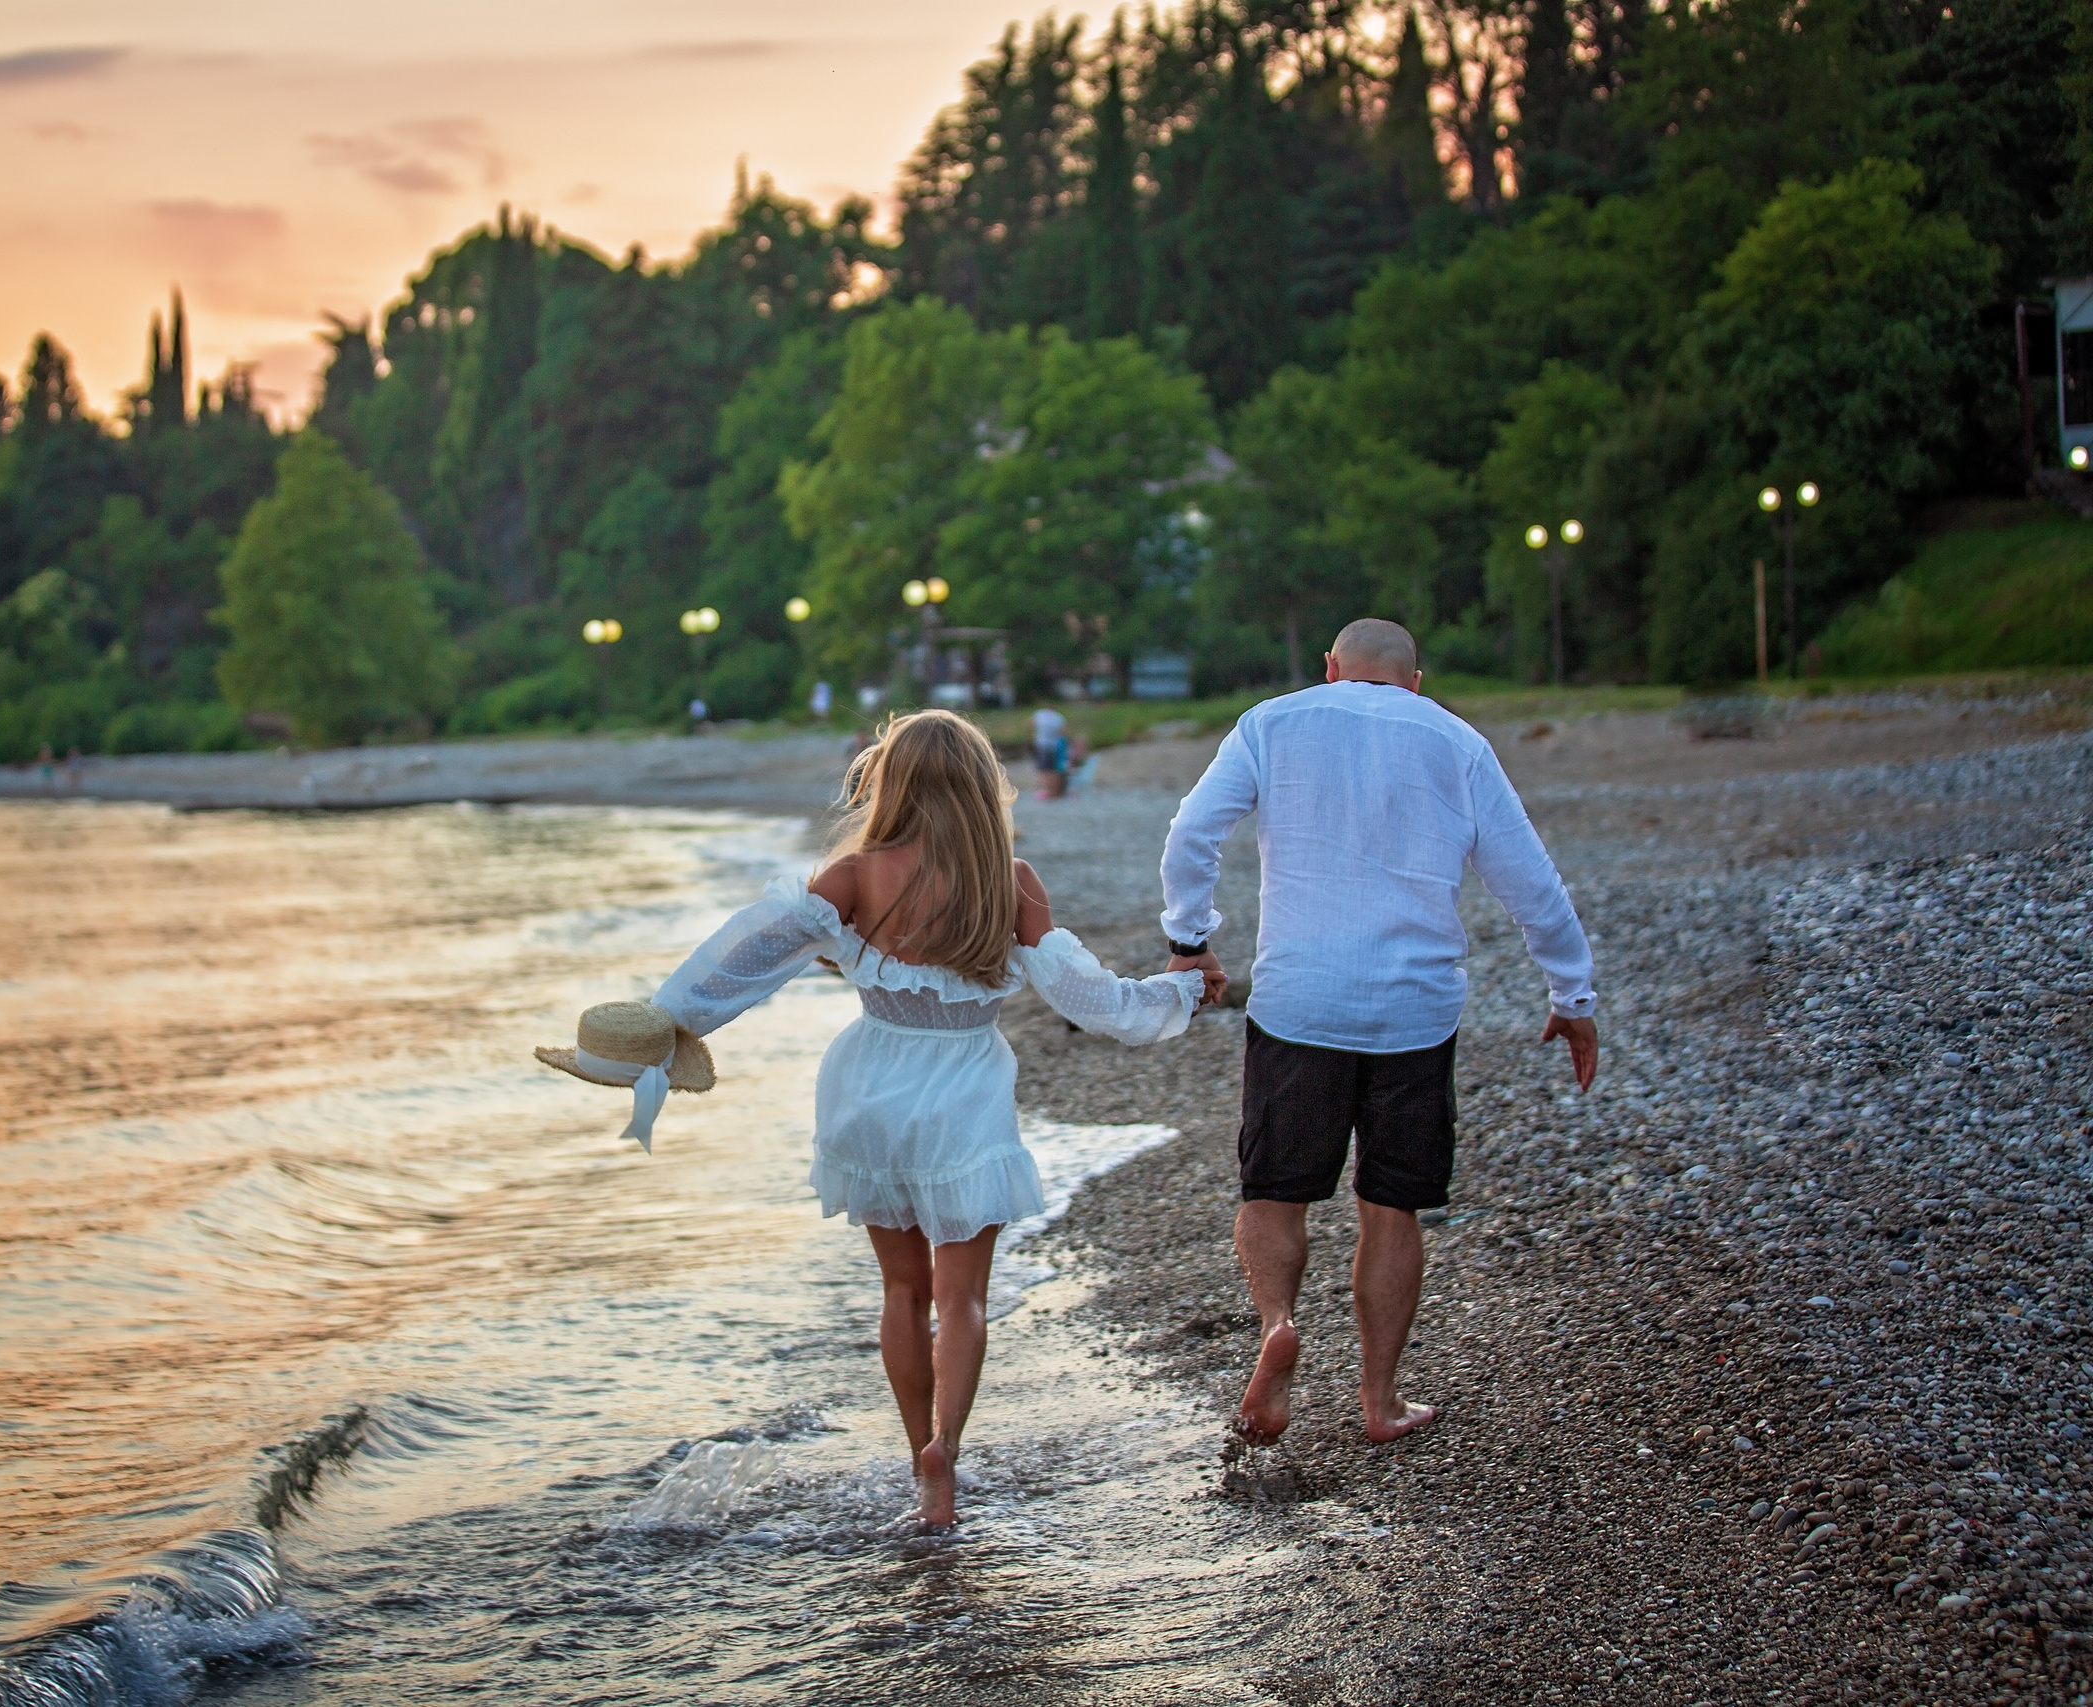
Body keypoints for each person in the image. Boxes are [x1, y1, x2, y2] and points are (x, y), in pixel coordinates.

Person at [542, 710, 1201, 1528]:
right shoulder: (1011, 879)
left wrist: (661, 1024)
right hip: (963, 1094)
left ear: (889, 783)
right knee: (962, 1299)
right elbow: (1090, 999)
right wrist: (1178, 990)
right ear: (977, 784)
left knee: (901, 1288)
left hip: (867, 1091)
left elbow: (746, 957)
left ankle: (911, 1443)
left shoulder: (853, 877)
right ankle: (945, 1457)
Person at [1158, 618, 1598, 1447]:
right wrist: (1571, 995)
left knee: (1273, 1191)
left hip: (1299, 1004)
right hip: (1414, 1011)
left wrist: (1191, 939)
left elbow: (1192, 833)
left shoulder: (1272, 723)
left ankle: (1279, 1323)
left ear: (1331, 669)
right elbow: (1531, 881)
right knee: (1391, 1207)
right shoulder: (1456, 741)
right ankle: (1379, 1399)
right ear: (1415, 681)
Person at [1029, 704, 1068, 800]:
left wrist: (1032, 735)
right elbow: (1063, 731)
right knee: (1054, 769)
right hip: (1054, 745)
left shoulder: (1040, 714)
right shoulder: (1058, 717)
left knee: (1044, 770)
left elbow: (1028, 723)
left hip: (1042, 745)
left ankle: (1048, 791)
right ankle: (1056, 791)